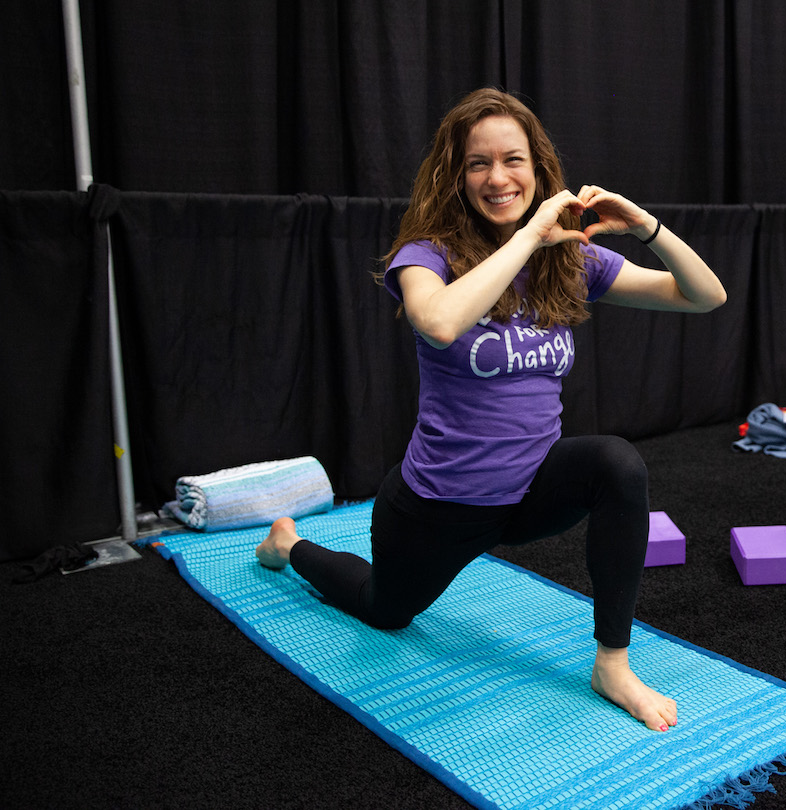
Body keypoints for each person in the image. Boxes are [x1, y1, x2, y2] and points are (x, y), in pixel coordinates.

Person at [255, 88, 726, 731]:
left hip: (531, 491)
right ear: (456, 175)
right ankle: (291, 544)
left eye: (513, 160)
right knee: (385, 609)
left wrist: (647, 227)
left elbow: (704, 296)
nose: (498, 178)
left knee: (617, 465)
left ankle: (612, 663)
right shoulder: (426, 254)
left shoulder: (572, 259)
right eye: (478, 163)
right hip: (440, 506)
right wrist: (530, 237)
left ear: (538, 170)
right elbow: (440, 322)